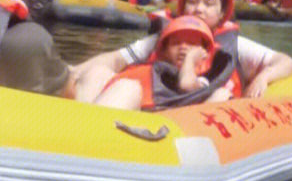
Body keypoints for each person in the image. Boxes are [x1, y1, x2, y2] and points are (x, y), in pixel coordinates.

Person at [72, 0, 292, 102]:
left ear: (221, 14)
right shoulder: (167, 36)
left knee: (219, 95)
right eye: (192, 1)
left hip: (193, 113)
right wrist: (75, 70)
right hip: (152, 101)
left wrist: (263, 77)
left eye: (208, 4)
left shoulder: (235, 45)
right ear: (183, 6)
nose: (198, 9)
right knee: (97, 72)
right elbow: (115, 59)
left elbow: (286, 62)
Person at [94, 16, 237, 110]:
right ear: (164, 51)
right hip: (134, 111)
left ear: (204, 54)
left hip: (173, 127)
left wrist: (189, 60)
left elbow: (186, 84)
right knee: (99, 73)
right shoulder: (153, 70)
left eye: (192, 44)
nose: (183, 47)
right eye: (176, 43)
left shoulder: (203, 80)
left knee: (222, 94)